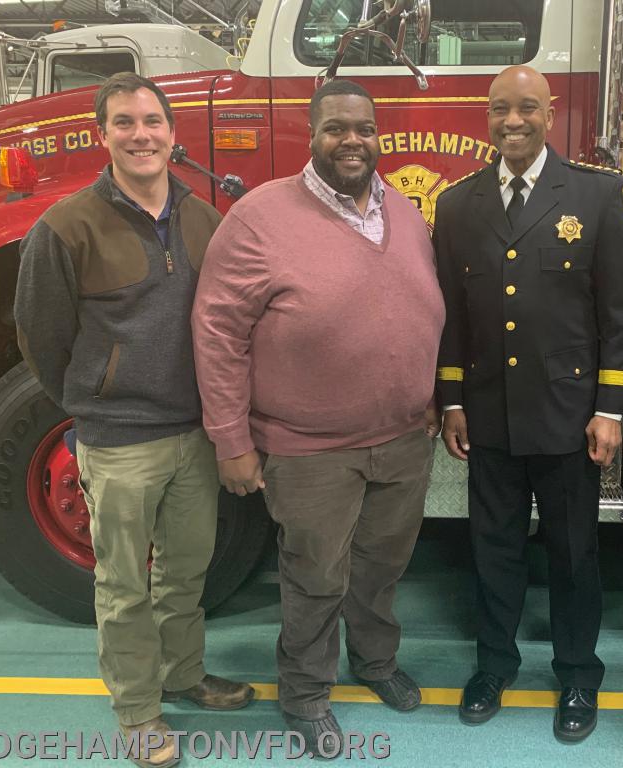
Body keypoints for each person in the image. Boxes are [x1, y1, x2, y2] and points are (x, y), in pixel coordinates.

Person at [191, 79, 444, 757]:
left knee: (382, 567)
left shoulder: (407, 212)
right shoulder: (261, 215)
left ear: (378, 132)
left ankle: (376, 662)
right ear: (313, 135)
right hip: (308, 448)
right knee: (314, 575)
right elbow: (218, 331)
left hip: (401, 438)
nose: (352, 140)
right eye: (336, 128)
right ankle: (304, 692)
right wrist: (231, 439)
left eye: (363, 127)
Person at [15, 72, 254, 768]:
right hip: (119, 442)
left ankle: (184, 677)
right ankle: (139, 713)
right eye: (124, 122)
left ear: (174, 134)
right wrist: (93, 400)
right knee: (123, 587)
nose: (141, 134)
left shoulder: (205, 219)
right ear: (103, 135)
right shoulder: (66, 227)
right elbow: (40, 336)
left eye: (152, 121)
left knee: (185, 575)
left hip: (193, 435)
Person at [433, 65, 623, 743]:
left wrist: (610, 409)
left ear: (550, 113)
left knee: (574, 553)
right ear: (487, 118)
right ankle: (494, 664)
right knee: (492, 549)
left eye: (526, 108)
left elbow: (621, 313)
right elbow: (453, 317)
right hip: (489, 415)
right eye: (500, 110)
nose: (512, 121)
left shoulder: (598, 195)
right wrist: (453, 400)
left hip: (569, 417)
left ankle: (579, 672)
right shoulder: (458, 205)